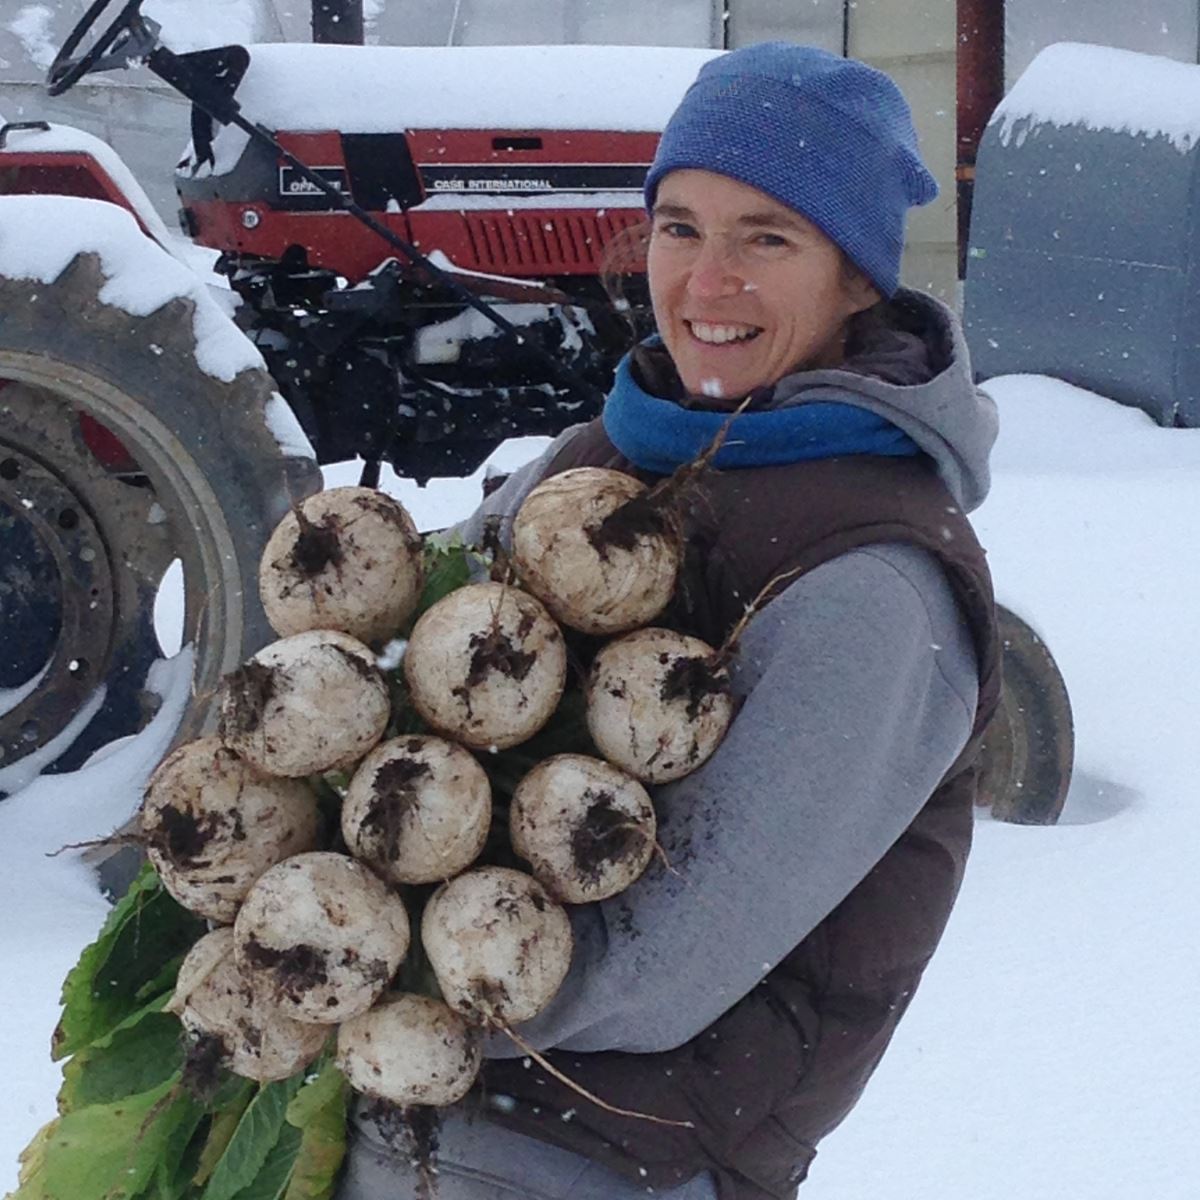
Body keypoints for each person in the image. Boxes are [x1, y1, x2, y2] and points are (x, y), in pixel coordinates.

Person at [341, 41, 1000, 1200]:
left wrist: (358, 965)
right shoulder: (599, 459)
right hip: (408, 1100)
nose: (704, 282)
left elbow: (662, 970)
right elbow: (394, 681)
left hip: (603, 1157)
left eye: (768, 237)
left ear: (858, 279)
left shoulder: (877, 584)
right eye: (681, 227)